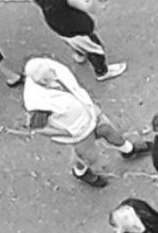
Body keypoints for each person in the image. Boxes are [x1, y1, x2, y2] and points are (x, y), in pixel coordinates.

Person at [21, 56, 134, 187]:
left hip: (90, 111)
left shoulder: (50, 67)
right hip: (79, 132)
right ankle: (80, 172)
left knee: (107, 129)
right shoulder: (37, 102)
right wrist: (67, 132)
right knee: (89, 157)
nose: (55, 74)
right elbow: (38, 127)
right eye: (50, 74)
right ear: (42, 81)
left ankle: (129, 150)